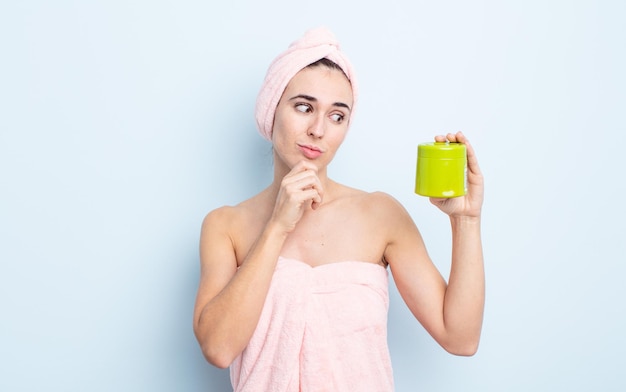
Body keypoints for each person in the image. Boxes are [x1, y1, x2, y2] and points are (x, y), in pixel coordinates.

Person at [193, 26, 485, 391]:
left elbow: (460, 338)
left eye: (337, 116)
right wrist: (277, 227)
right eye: (304, 107)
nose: (318, 130)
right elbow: (218, 349)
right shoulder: (225, 226)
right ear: (272, 110)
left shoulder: (380, 215)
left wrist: (466, 220)